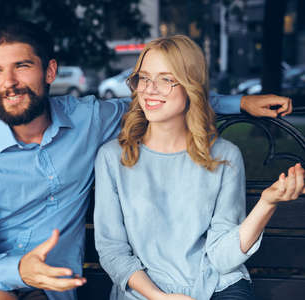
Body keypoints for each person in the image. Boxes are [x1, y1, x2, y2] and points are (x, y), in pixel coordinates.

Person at [0, 20, 293, 300]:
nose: (9, 82)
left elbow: (165, 99)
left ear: (49, 71)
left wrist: (241, 104)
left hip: (54, 289)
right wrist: (18, 270)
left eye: (21, 66)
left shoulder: (87, 120)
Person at [93, 35, 304, 300]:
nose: (149, 89)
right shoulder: (112, 158)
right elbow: (113, 251)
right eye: (144, 78)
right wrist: (160, 297)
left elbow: (222, 259)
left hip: (217, 286)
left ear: (191, 86)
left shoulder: (225, 156)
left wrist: (267, 203)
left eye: (166, 79)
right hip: (144, 293)